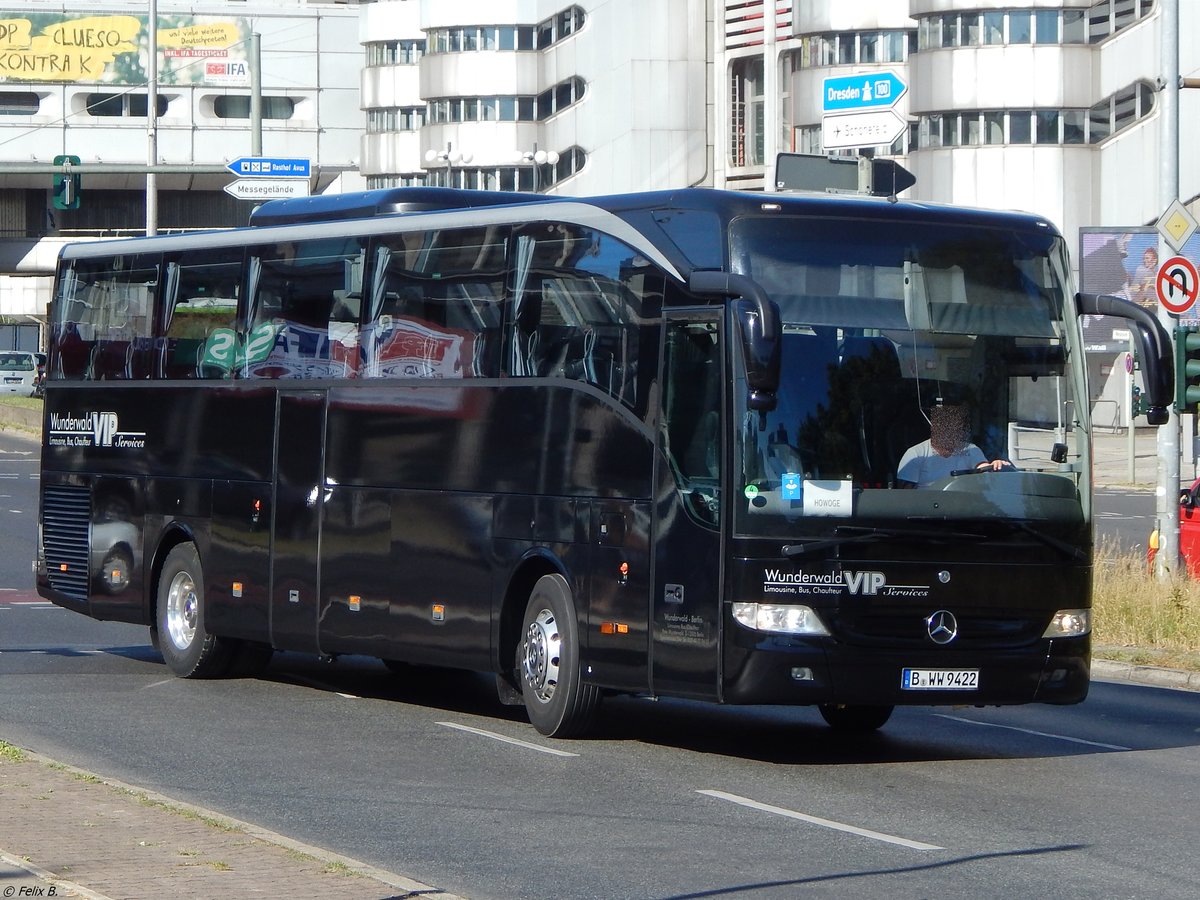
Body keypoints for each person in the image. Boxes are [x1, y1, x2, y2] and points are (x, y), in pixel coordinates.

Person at [897, 403, 1009, 487]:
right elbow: (905, 496)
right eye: (945, 426)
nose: (950, 431)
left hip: (962, 510)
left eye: (955, 427)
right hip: (927, 512)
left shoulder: (971, 450)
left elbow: (983, 469)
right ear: (934, 428)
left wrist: (995, 467)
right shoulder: (915, 454)